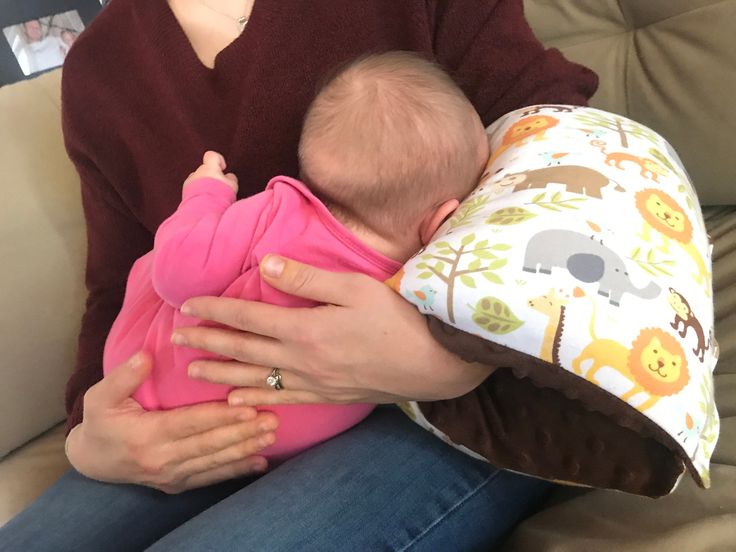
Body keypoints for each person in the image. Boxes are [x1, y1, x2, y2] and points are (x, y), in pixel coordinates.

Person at [0, 0, 598, 550]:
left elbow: (571, 160)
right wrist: (87, 436)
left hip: (458, 406)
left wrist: (454, 359)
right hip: (196, 412)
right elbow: (115, 281)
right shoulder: (100, 68)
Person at [103, 51, 490, 463]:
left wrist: (204, 194)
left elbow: (178, 275)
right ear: (444, 219)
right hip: (284, 442)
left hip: (158, 397)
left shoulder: (276, 213)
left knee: (153, 266)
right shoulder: (423, 286)